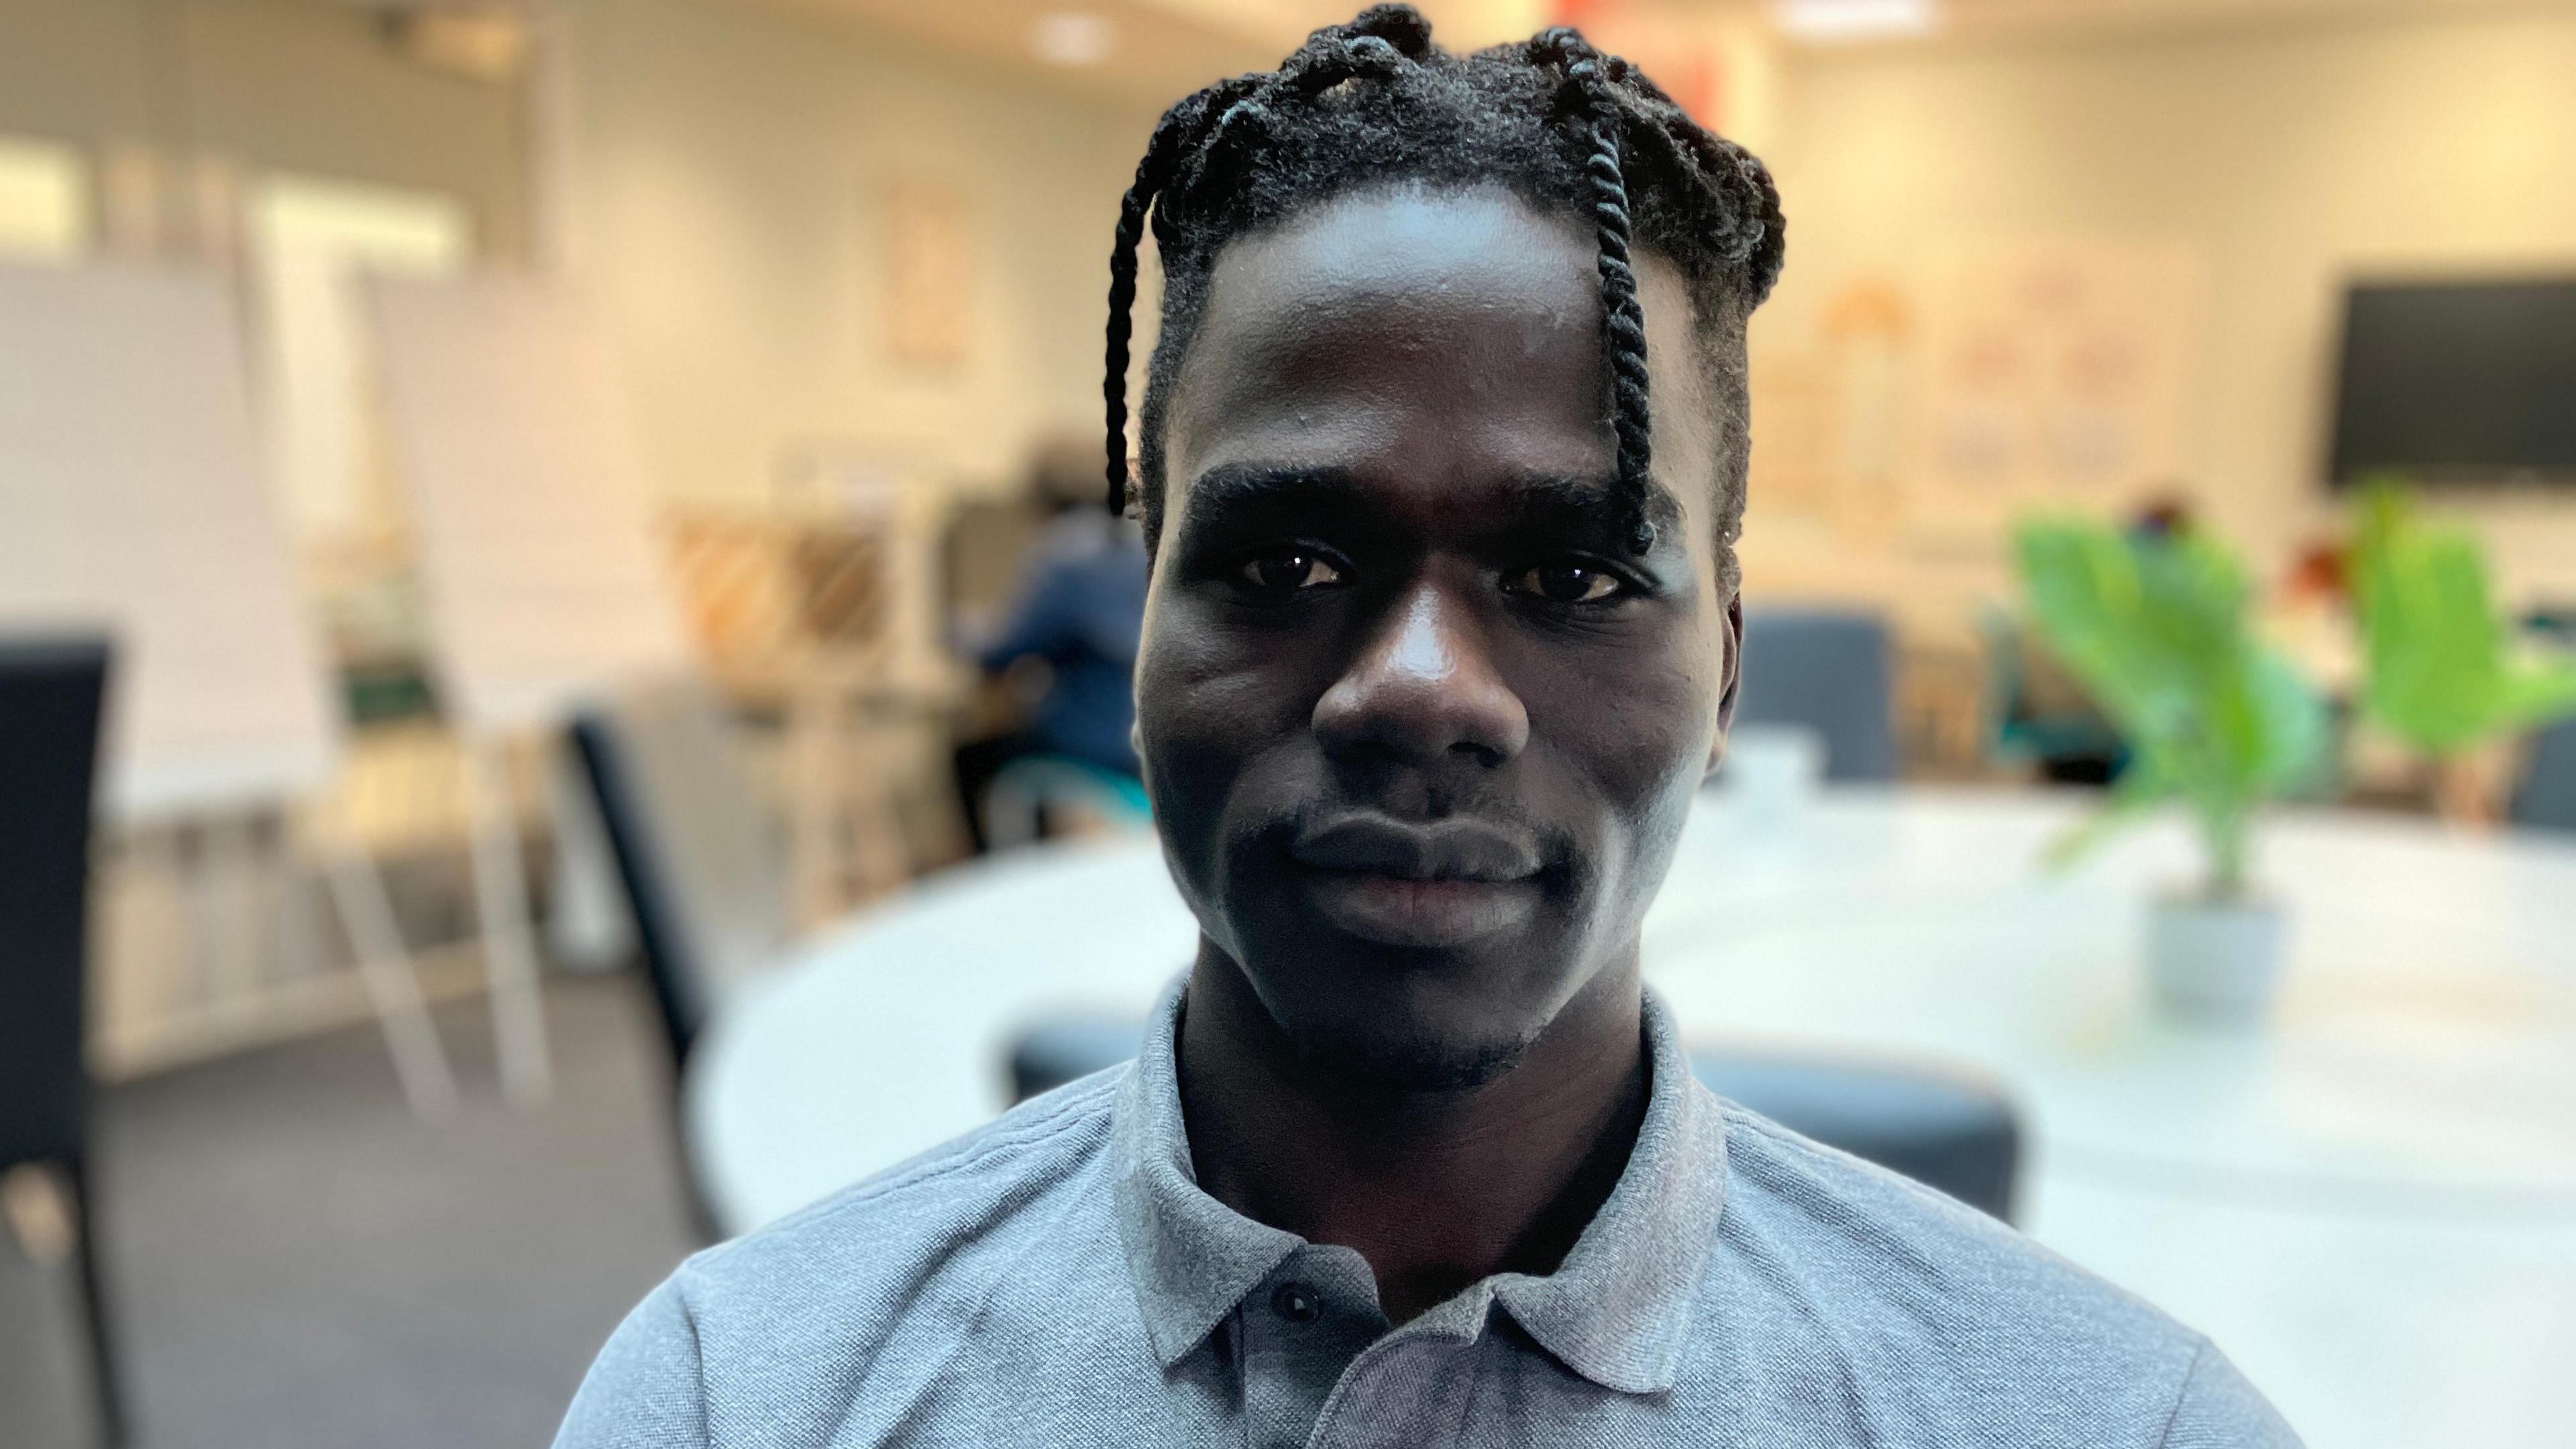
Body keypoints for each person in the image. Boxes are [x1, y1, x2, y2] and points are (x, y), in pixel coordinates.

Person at [557, 9, 2299, 1446]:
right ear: (1148, 612)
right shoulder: (746, 1399)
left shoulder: (2116, 1427)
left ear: (1729, 674)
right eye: (1287, 557)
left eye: (1573, 574)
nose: (1421, 689)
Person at [951, 439, 1149, 849]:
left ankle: (988, 874)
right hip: (1142, 732)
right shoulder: (1138, 537)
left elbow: (1006, 647)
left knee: (970, 760)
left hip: (1093, 740)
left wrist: (958, 630)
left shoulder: (1064, 548)